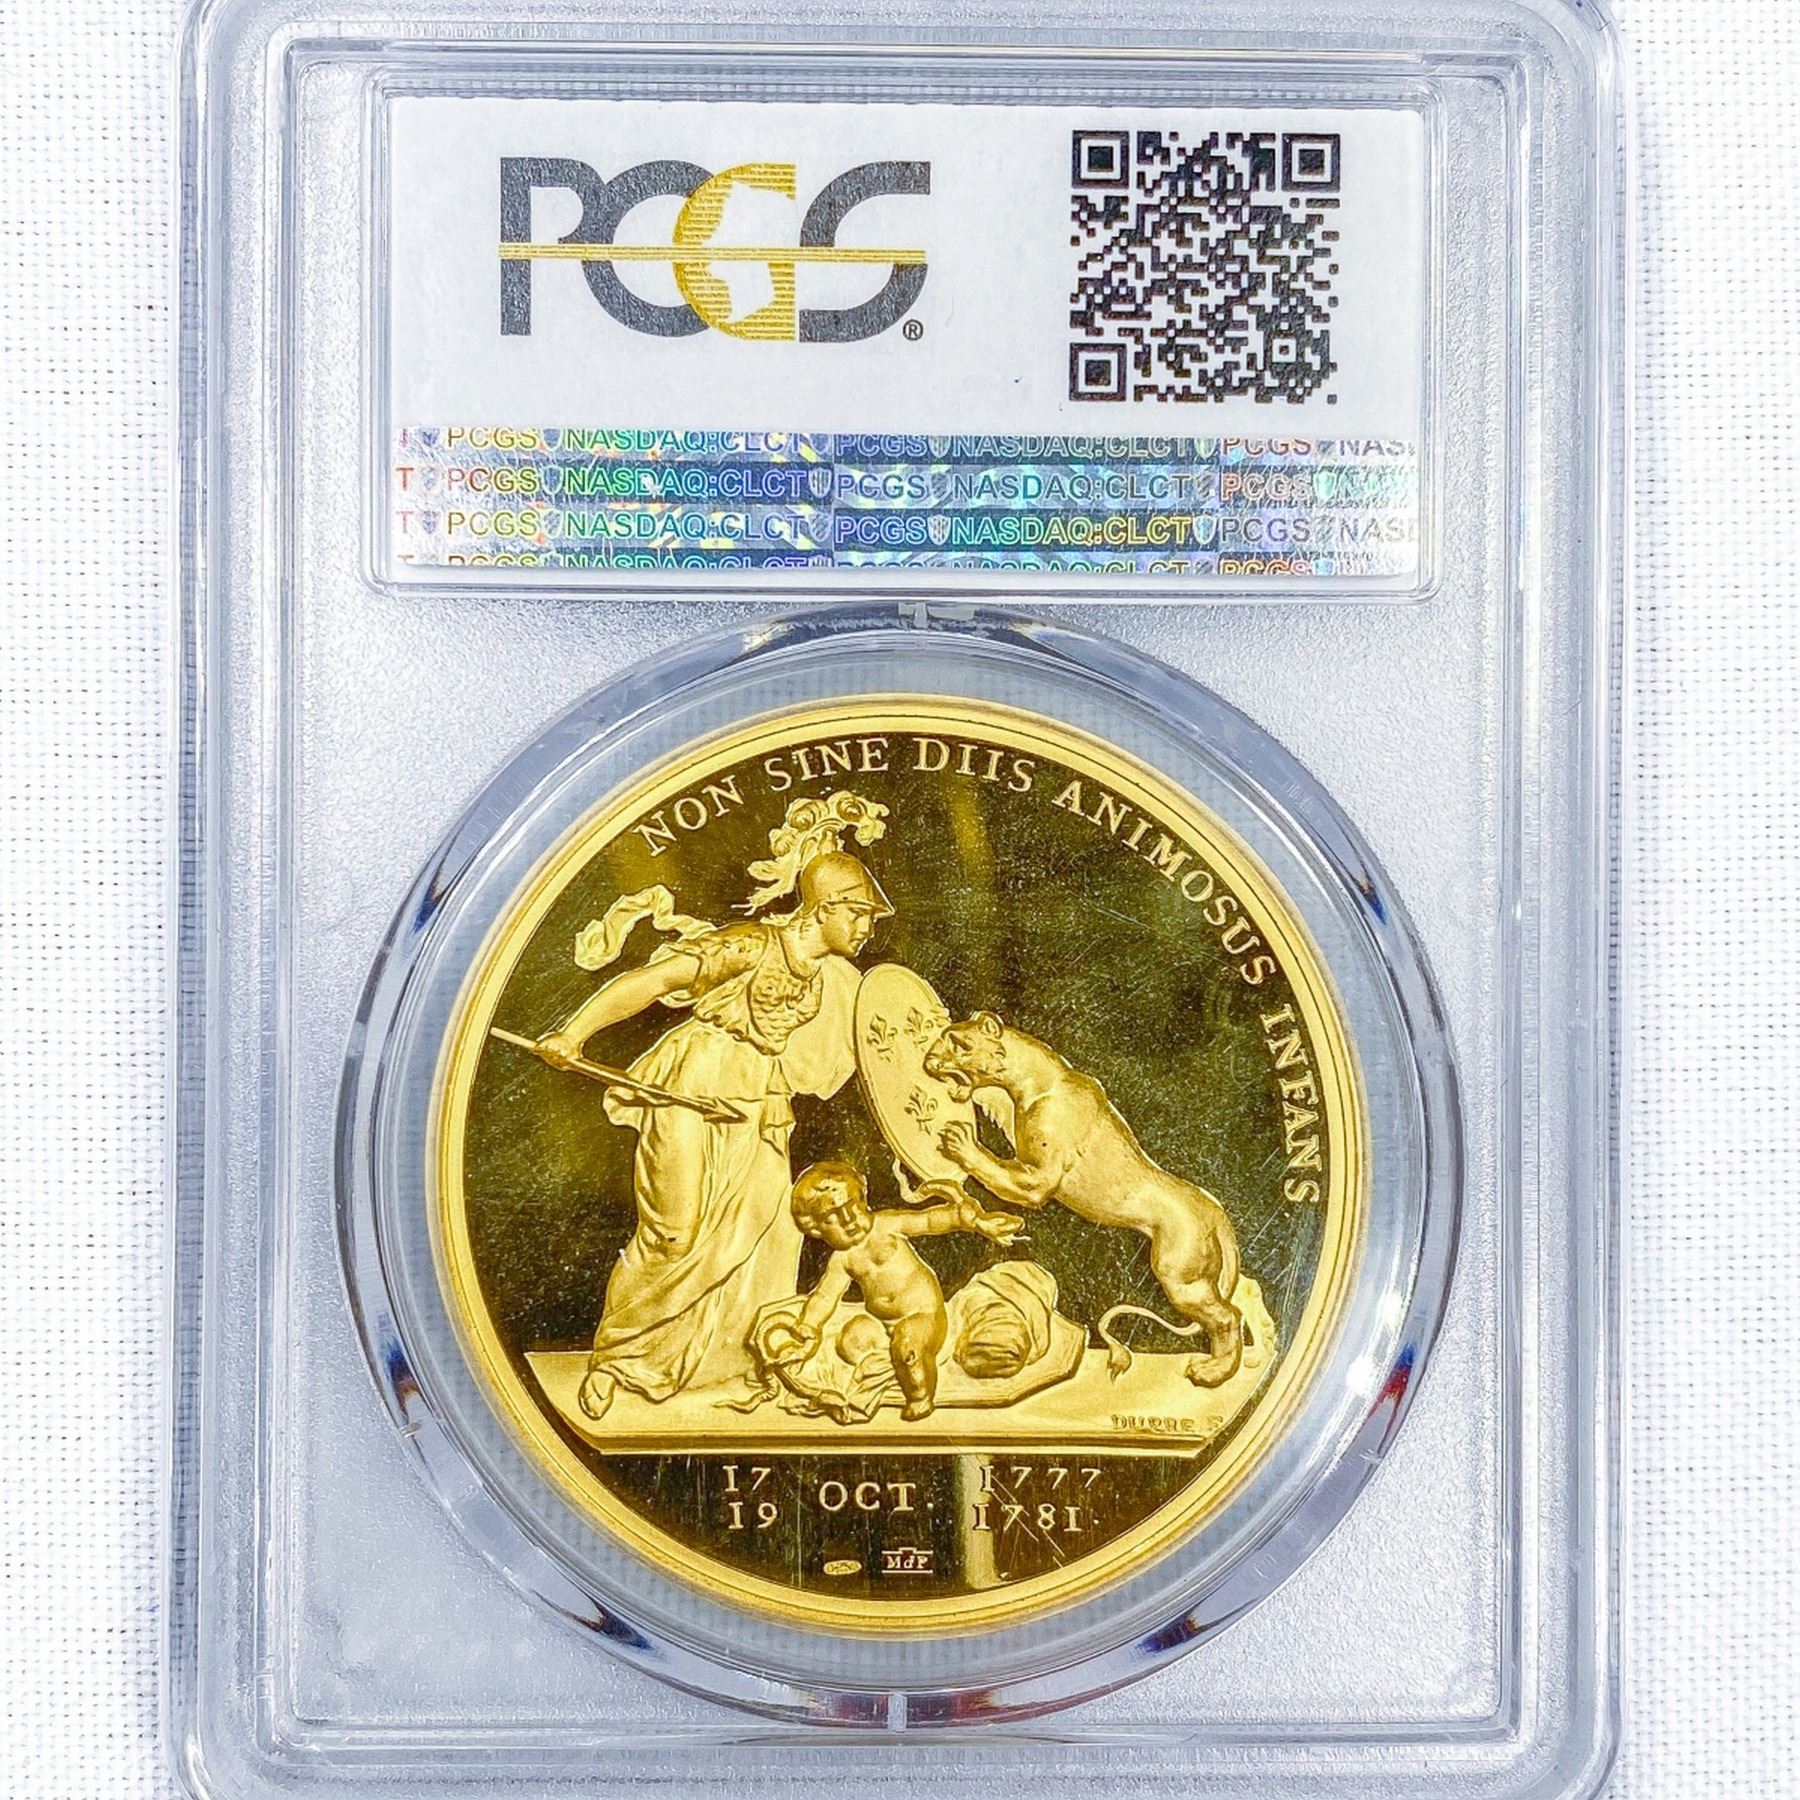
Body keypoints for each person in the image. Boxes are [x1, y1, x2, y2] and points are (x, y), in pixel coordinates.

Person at [535, 848, 892, 1420]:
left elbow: (883, 1046)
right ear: (825, 907)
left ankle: (730, 1363)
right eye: (859, 914)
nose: (867, 929)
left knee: (767, 1229)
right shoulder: (751, 946)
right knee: (673, 1233)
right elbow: (654, 980)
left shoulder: (838, 982)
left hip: (760, 1101)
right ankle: (618, 1358)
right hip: (694, 1083)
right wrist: (574, 1034)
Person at [781, 1160, 1020, 1420]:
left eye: (852, 1206)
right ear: (816, 1229)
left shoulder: (887, 1225)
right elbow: (825, 1296)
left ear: (862, 1198)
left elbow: (928, 1221)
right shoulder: (843, 1259)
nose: (848, 1220)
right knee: (850, 1342)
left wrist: (971, 1220)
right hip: (883, 1325)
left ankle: (920, 1398)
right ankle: (883, 1368)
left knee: (908, 1346)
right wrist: (809, 1325)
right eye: (832, 1217)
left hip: (923, 1315)